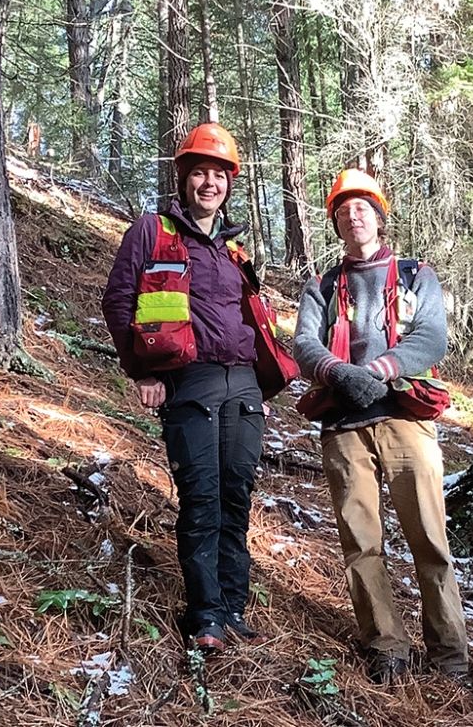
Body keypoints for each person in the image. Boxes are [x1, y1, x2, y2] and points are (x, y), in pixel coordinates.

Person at [293, 169, 469, 683]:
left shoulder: (417, 275)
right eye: (343, 210)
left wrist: (377, 371)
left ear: (379, 215)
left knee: (430, 541)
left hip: (406, 419)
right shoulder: (322, 286)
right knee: (361, 542)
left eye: (362, 207)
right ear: (336, 223)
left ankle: (450, 656)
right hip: (343, 426)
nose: (353, 215)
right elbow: (305, 345)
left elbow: (432, 338)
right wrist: (339, 373)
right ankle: (385, 646)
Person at [102, 123, 265, 655]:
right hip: (190, 386)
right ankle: (206, 615)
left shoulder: (235, 250)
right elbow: (119, 301)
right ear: (184, 178)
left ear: (229, 184)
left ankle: (233, 608)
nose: (210, 182)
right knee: (200, 498)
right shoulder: (152, 231)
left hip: (243, 388)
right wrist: (143, 373)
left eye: (219, 174)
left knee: (235, 497)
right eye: (200, 172)